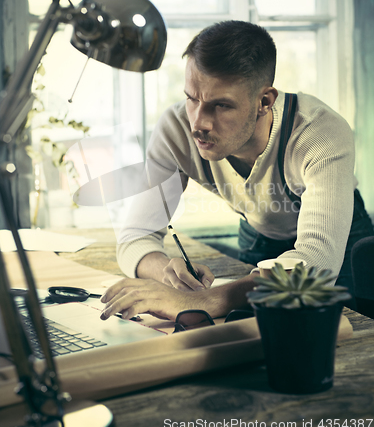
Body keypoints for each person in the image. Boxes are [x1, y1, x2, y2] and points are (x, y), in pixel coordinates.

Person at [100, 20, 374, 322]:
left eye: (221, 106)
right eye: (192, 98)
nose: (198, 123)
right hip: (259, 234)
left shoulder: (319, 132)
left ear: (264, 101)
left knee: (347, 334)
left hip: (341, 243)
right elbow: (136, 235)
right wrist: (166, 273)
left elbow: (316, 264)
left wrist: (200, 301)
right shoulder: (176, 130)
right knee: (240, 333)